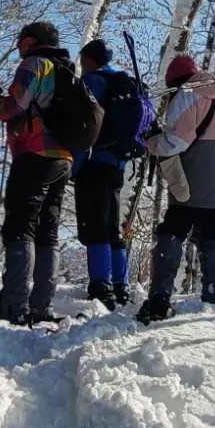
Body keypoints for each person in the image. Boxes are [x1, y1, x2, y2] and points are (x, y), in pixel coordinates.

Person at [136, 54, 215, 324]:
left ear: (173, 81)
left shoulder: (186, 94)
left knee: (172, 231)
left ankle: (159, 299)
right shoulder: (213, 94)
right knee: (212, 235)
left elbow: (177, 141)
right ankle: (213, 293)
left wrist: (153, 142)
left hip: (194, 175)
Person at [0, 21, 74, 325]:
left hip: (34, 153)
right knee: (47, 231)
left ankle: (14, 307)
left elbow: (15, 106)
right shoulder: (67, 70)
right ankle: (41, 307)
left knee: (20, 227)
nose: (18, 47)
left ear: (32, 41)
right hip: (63, 157)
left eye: (20, 41)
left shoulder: (34, 63)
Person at [73, 38, 138, 310]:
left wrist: (74, 168)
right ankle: (119, 286)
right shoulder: (123, 83)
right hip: (118, 165)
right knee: (112, 226)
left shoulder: (92, 83)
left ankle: (101, 286)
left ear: (89, 59)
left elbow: (83, 127)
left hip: (94, 163)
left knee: (94, 226)